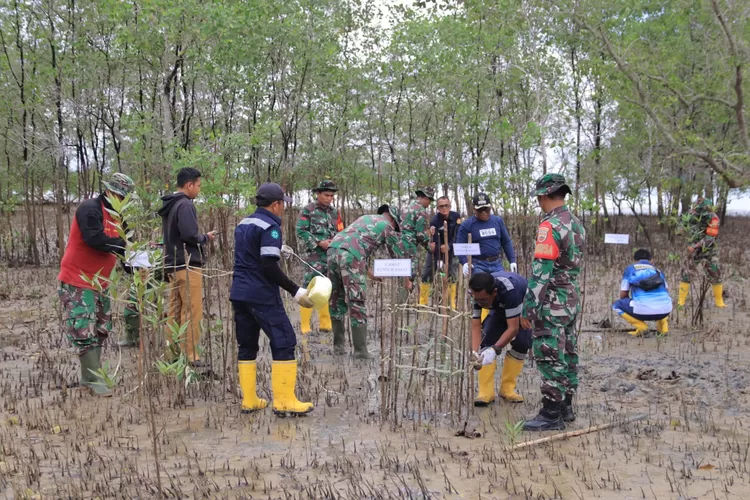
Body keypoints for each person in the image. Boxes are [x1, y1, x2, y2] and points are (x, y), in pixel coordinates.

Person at [230, 183, 316, 416]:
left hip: (239, 292)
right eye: (283, 205)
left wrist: (278, 249)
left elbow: (250, 253)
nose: (284, 209)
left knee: (247, 345)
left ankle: (249, 400)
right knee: (285, 341)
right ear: (276, 204)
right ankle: (284, 401)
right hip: (261, 295)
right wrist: (295, 290)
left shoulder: (244, 223)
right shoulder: (271, 226)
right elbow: (268, 266)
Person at [58, 173, 135, 396]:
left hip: (101, 282)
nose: (120, 199)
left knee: (102, 326)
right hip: (78, 279)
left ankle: (92, 374)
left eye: (124, 197)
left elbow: (125, 249)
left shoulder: (120, 217)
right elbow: (95, 239)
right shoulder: (89, 209)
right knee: (83, 326)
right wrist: (124, 244)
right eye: (118, 195)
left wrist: (135, 266)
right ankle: (91, 378)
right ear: (108, 191)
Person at [521, 173, 585, 431]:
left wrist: (529, 308)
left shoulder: (550, 226)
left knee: (549, 353)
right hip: (571, 298)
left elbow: (541, 273)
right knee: (568, 350)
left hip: (552, 300)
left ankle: (551, 414)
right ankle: (565, 407)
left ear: (543, 196)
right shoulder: (576, 223)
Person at [327, 205, 408, 358]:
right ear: (393, 220)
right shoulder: (387, 227)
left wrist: (370, 274)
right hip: (351, 255)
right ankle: (360, 351)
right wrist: (406, 281)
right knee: (356, 301)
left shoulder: (365, 218)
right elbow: (398, 257)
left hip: (332, 249)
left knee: (335, 299)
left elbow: (357, 246)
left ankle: (338, 347)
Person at [158, 167, 216, 366]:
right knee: (192, 310)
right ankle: (191, 355)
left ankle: (172, 353)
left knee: (175, 309)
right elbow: (189, 234)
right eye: (198, 186)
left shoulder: (170, 205)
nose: (198, 190)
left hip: (173, 265)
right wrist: (205, 238)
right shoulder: (184, 205)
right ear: (189, 185)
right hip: (187, 264)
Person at [469, 272, 532, 406]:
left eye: (484, 301)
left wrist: (495, 349)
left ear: (494, 292)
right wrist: (475, 352)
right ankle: (485, 392)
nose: (481, 304)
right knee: (487, 339)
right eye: (477, 301)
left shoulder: (510, 291)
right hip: (498, 310)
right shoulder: (476, 294)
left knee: (522, 342)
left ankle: (507, 388)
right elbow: (476, 326)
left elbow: (513, 328)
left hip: (522, 308)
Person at [457, 192, 517, 321]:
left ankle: (498, 318)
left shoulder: (497, 221)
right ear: (474, 210)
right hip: (478, 264)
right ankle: (483, 321)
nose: (484, 212)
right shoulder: (467, 225)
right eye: (480, 210)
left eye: (487, 209)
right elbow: (459, 246)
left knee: (500, 289)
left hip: (496, 263)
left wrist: (512, 260)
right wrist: (464, 262)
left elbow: (506, 241)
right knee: (482, 291)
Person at [295, 180, 343, 334]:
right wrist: (318, 242)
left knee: (328, 287)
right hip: (314, 255)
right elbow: (301, 231)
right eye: (326, 195)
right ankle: (305, 325)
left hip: (331, 254)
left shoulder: (335, 213)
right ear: (318, 194)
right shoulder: (308, 210)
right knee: (309, 287)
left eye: (332, 195)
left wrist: (336, 244)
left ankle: (325, 323)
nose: (329, 198)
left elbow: (341, 232)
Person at [678, 198, 726, 309]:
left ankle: (719, 301)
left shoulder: (713, 218)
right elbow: (680, 229)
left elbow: (710, 238)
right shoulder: (691, 215)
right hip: (692, 249)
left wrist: (695, 246)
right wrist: (683, 226)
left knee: (715, 273)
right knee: (686, 273)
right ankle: (681, 302)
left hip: (708, 250)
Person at [612, 249, 671, 336]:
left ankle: (642, 327)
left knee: (617, 305)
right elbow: (666, 292)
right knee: (662, 299)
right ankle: (664, 329)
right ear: (651, 260)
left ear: (635, 260)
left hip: (642, 310)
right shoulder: (658, 271)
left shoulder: (630, 269)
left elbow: (623, 295)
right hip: (666, 310)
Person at [419, 196, 461, 309]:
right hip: (437, 250)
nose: (444, 208)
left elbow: (458, 235)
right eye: (441, 206)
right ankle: (423, 302)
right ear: (437, 208)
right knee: (427, 273)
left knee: (452, 274)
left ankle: (451, 303)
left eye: (446, 205)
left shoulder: (456, 217)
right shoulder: (434, 220)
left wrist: (449, 246)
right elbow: (434, 240)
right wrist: (438, 257)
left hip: (451, 250)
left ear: (450, 206)